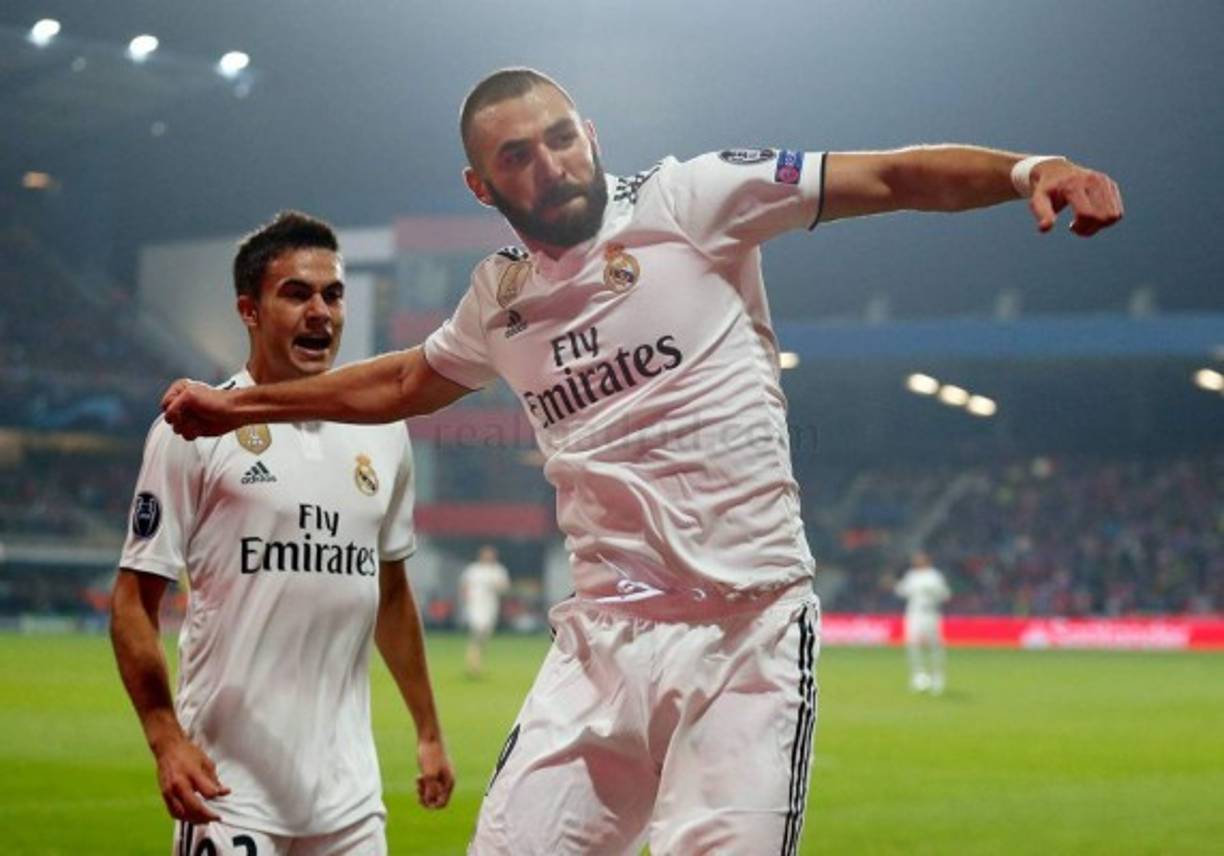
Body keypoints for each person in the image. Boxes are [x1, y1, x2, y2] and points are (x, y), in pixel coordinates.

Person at [160, 69, 1123, 854]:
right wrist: (243, 406)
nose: (551, 163)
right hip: (599, 647)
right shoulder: (498, 299)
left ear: (591, 132)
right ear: (482, 187)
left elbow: (892, 177)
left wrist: (1026, 168)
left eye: (562, 136)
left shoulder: (692, 200)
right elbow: (405, 381)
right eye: (518, 156)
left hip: (744, 638)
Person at [111, 211, 455, 855]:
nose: (320, 311)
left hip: (350, 798)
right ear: (249, 309)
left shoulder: (384, 434)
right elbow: (133, 600)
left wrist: (428, 729)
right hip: (229, 790)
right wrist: (165, 737)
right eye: (296, 294)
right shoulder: (194, 428)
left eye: (333, 294)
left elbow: (392, 595)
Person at [894, 551, 952, 694]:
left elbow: (946, 594)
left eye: (920, 559)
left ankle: (937, 678)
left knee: (935, 645)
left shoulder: (934, 576)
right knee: (913, 644)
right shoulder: (912, 576)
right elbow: (901, 591)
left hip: (930, 613)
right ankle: (918, 677)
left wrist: (933, 592)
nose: (917, 561)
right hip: (914, 613)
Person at [460, 545, 512, 676]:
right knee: (478, 630)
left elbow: (504, 587)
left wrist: (496, 586)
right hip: (475, 605)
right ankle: (473, 665)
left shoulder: (499, 570)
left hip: (491, 606)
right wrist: (467, 598)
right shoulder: (473, 570)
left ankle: (477, 662)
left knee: (485, 635)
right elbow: (464, 586)